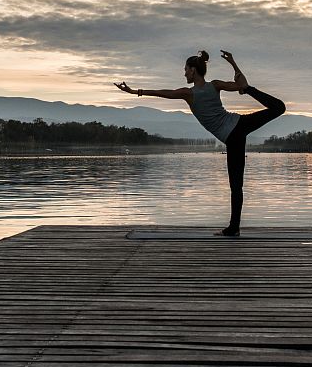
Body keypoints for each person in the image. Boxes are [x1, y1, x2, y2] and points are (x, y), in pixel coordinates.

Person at [114, 50, 285, 236]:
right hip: (239, 127)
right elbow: (241, 84)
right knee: (278, 108)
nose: (184, 73)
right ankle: (234, 228)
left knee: (236, 185)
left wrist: (134, 91)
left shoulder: (189, 93)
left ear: (193, 70)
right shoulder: (214, 85)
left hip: (233, 134)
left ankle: (234, 228)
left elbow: (162, 93)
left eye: (186, 69)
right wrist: (235, 66)